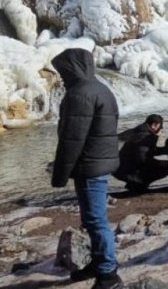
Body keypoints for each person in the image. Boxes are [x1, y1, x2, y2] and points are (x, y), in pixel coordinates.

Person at [50, 48, 122, 288]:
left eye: (63, 71)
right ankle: (99, 262)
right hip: (100, 161)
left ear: (72, 68)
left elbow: (72, 139)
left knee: (96, 220)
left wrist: (59, 174)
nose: (61, 77)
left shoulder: (79, 94)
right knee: (93, 219)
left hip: (89, 166)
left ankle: (108, 275)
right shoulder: (101, 88)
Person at [112, 114, 168, 193]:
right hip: (128, 171)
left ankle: (136, 184)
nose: (161, 129)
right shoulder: (145, 136)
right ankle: (138, 184)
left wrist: (166, 150)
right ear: (154, 125)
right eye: (160, 127)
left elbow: (147, 151)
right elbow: (142, 159)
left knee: (158, 164)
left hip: (118, 168)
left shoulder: (138, 131)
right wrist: (161, 163)